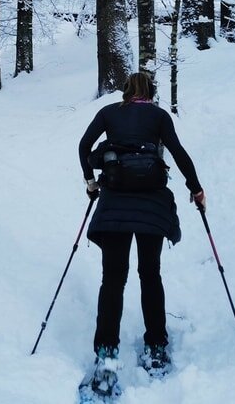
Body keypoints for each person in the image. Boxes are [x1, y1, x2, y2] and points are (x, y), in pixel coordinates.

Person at [77, 71, 205, 396]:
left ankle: (106, 358)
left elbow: (84, 146)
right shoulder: (159, 116)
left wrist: (91, 182)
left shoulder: (109, 113)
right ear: (151, 91)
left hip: (114, 204)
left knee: (113, 279)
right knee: (150, 274)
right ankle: (156, 348)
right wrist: (196, 189)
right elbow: (178, 152)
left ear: (126, 91)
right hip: (152, 205)